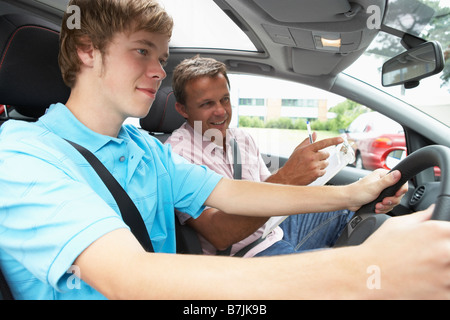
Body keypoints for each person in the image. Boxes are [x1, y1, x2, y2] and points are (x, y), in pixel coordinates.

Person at [0, 0, 448, 300]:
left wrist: (351, 194)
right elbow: (128, 278)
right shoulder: (20, 155)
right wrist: (368, 273)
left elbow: (234, 192)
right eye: (143, 52)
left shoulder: (142, 148)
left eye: (162, 56)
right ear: (87, 51)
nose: (158, 71)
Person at [166, 56, 357, 257]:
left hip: (272, 230)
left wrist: (301, 173)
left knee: (351, 212)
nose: (221, 111)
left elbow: (268, 190)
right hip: (244, 256)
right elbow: (220, 235)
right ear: (182, 109)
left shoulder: (241, 138)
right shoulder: (177, 155)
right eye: (207, 104)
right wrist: (287, 176)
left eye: (225, 99)